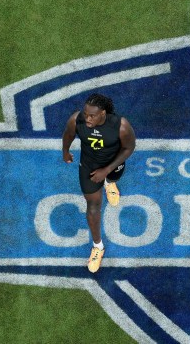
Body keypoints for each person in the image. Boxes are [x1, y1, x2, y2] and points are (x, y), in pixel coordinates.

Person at [62, 93, 136, 273]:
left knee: (113, 179)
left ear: (103, 113)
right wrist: (65, 151)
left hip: (112, 165)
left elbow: (129, 148)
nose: (87, 118)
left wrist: (107, 170)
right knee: (93, 206)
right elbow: (68, 134)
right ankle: (98, 247)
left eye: (92, 115)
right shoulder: (76, 120)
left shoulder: (121, 126)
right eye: (86, 114)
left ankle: (110, 184)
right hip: (88, 166)